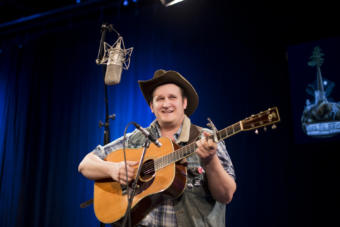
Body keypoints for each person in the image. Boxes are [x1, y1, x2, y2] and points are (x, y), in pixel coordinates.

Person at [78, 69, 236, 227]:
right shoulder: (136, 139)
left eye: (172, 97)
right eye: (160, 99)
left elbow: (226, 195)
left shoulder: (205, 138)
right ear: (152, 106)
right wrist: (113, 169)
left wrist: (210, 161)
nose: (166, 104)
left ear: (184, 103)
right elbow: (85, 164)